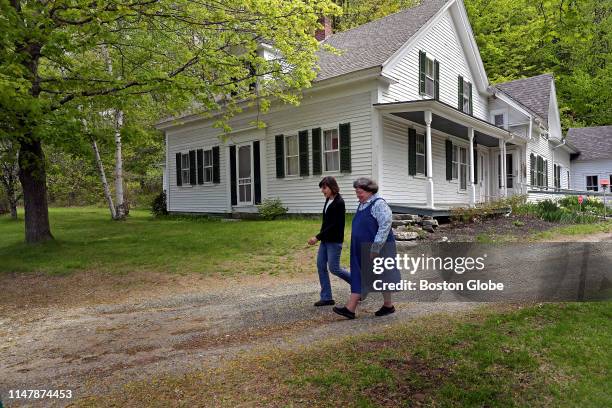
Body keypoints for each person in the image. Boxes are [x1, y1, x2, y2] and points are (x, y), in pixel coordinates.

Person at [333, 177, 397, 319]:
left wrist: (376, 248)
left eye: (360, 192)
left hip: (375, 248)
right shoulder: (362, 204)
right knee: (358, 274)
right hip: (360, 248)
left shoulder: (379, 204)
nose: (357, 194)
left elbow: (385, 225)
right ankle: (351, 309)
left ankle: (387, 305)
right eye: (356, 192)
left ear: (370, 191)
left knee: (383, 275)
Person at [308, 176, 351, 306]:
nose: (322, 190)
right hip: (325, 241)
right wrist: (321, 237)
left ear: (332, 187)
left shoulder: (339, 202)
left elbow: (333, 225)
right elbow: (326, 222)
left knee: (334, 268)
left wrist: (317, 237)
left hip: (334, 241)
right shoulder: (328, 200)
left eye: (324, 187)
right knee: (321, 266)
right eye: (322, 188)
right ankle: (327, 297)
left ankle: (358, 285)